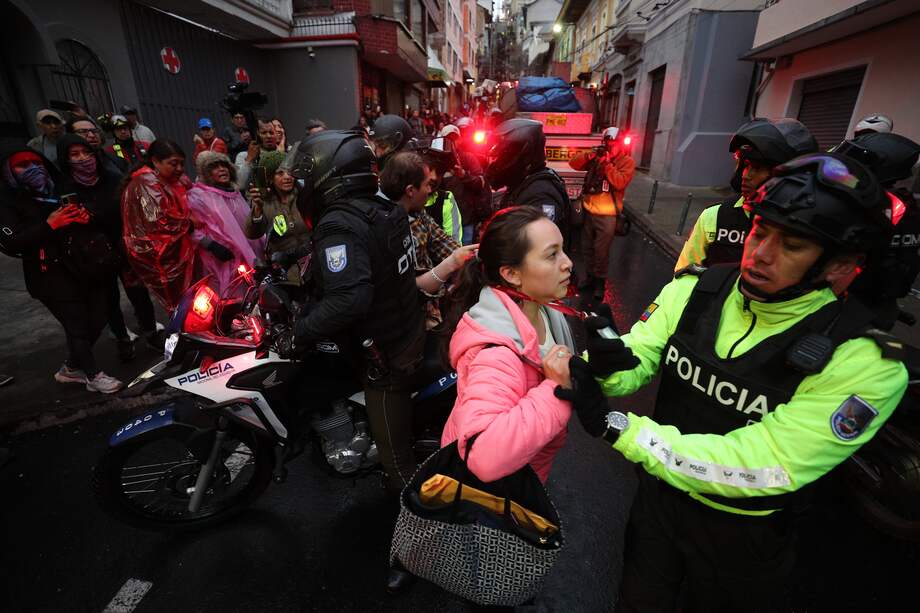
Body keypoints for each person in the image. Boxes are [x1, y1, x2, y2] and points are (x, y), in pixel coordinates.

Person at [561, 154, 906, 611]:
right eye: (761, 232)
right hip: (657, 507)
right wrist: (604, 364)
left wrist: (620, 429)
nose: (760, 253)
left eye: (794, 246)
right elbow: (639, 358)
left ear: (840, 266)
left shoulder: (865, 360)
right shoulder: (696, 289)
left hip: (741, 534)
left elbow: (769, 463)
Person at [277, 130, 426, 497]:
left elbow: (349, 301)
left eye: (305, 177)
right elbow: (367, 258)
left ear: (328, 175)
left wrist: (298, 333)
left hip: (391, 355)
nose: (300, 185)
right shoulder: (381, 207)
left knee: (396, 458)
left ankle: (418, 528)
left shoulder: (339, 223)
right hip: (405, 323)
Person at [439, 205, 576, 483]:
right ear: (512, 274)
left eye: (563, 249)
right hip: (495, 501)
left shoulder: (546, 309)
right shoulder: (496, 354)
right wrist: (555, 389)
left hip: (526, 477)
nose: (567, 262)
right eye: (552, 255)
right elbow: (484, 457)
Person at [0, 147, 123, 393]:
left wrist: (87, 215)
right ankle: (93, 376)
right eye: (22, 166)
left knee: (98, 318)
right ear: (10, 173)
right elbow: (11, 242)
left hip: (84, 266)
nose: (32, 169)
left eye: (36, 163)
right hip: (48, 274)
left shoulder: (63, 188)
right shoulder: (8, 202)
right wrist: (49, 225)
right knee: (76, 324)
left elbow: (102, 210)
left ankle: (71, 368)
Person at [676, 118, 818, 270]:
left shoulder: (809, 226)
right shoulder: (714, 216)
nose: (745, 175)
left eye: (757, 168)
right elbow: (683, 276)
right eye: (745, 166)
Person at [56, 133, 137, 362]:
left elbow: (125, 208)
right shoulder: (64, 187)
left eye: (86, 152)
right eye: (75, 155)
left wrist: (94, 216)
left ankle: (151, 331)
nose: (83, 158)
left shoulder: (111, 177)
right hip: (94, 253)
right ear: (65, 158)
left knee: (137, 291)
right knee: (109, 299)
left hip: (122, 243)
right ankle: (122, 338)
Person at [379, 151, 477, 328]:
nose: (430, 190)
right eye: (427, 185)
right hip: (399, 325)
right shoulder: (380, 226)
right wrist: (452, 263)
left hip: (427, 314)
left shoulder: (418, 215)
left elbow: (445, 243)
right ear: (410, 190)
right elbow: (407, 288)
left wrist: (476, 257)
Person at [121, 139, 196, 311]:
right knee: (179, 306)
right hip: (163, 259)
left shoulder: (165, 180)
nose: (179, 168)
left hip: (177, 254)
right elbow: (159, 224)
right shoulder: (147, 184)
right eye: (173, 163)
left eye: (181, 164)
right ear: (155, 161)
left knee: (187, 302)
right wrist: (189, 223)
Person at [569, 126, 636, 300]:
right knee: (587, 248)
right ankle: (589, 278)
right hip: (589, 212)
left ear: (620, 145)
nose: (610, 146)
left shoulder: (626, 162)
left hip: (607, 215)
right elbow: (573, 163)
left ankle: (600, 283)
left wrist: (607, 165)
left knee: (601, 252)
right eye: (607, 143)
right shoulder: (597, 157)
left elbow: (620, 182)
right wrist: (590, 156)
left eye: (613, 144)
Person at [487, 118, 571, 248]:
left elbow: (540, 252)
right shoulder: (523, 185)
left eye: (503, 157)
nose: (496, 164)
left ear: (523, 156)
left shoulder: (540, 194)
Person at [188, 151, 263, 293]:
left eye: (224, 165)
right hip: (220, 261)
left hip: (246, 258)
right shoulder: (198, 196)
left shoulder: (234, 194)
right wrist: (211, 245)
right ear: (206, 173)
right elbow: (190, 228)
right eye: (215, 167)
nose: (222, 169)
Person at [244, 150, 309, 283]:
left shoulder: (305, 196)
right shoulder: (264, 203)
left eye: (290, 171)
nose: (287, 177)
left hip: (314, 264)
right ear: (270, 179)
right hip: (287, 275)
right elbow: (252, 234)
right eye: (280, 173)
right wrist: (257, 210)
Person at [440, 124, 490, 245]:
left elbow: (481, 183)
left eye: (454, 138)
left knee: (466, 253)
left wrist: (463, 175)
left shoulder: (469, 158)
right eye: (448, 139)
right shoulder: (438, 161)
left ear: (460, 140)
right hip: (444, 219)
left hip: (466, 218)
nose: (452, 142)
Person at [419, 136, 464, 244]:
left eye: (439, 172)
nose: (434, 177)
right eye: (430, 168)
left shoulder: (446, 199)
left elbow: (453, 245)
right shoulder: (400, 198)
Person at [235, 117, 278, 189]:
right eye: (264, 133)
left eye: (271, 133)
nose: (268, 136)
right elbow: (239, 184)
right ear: (256, 135)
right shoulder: (243, 156)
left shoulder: (284, 153)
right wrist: (249, 160)